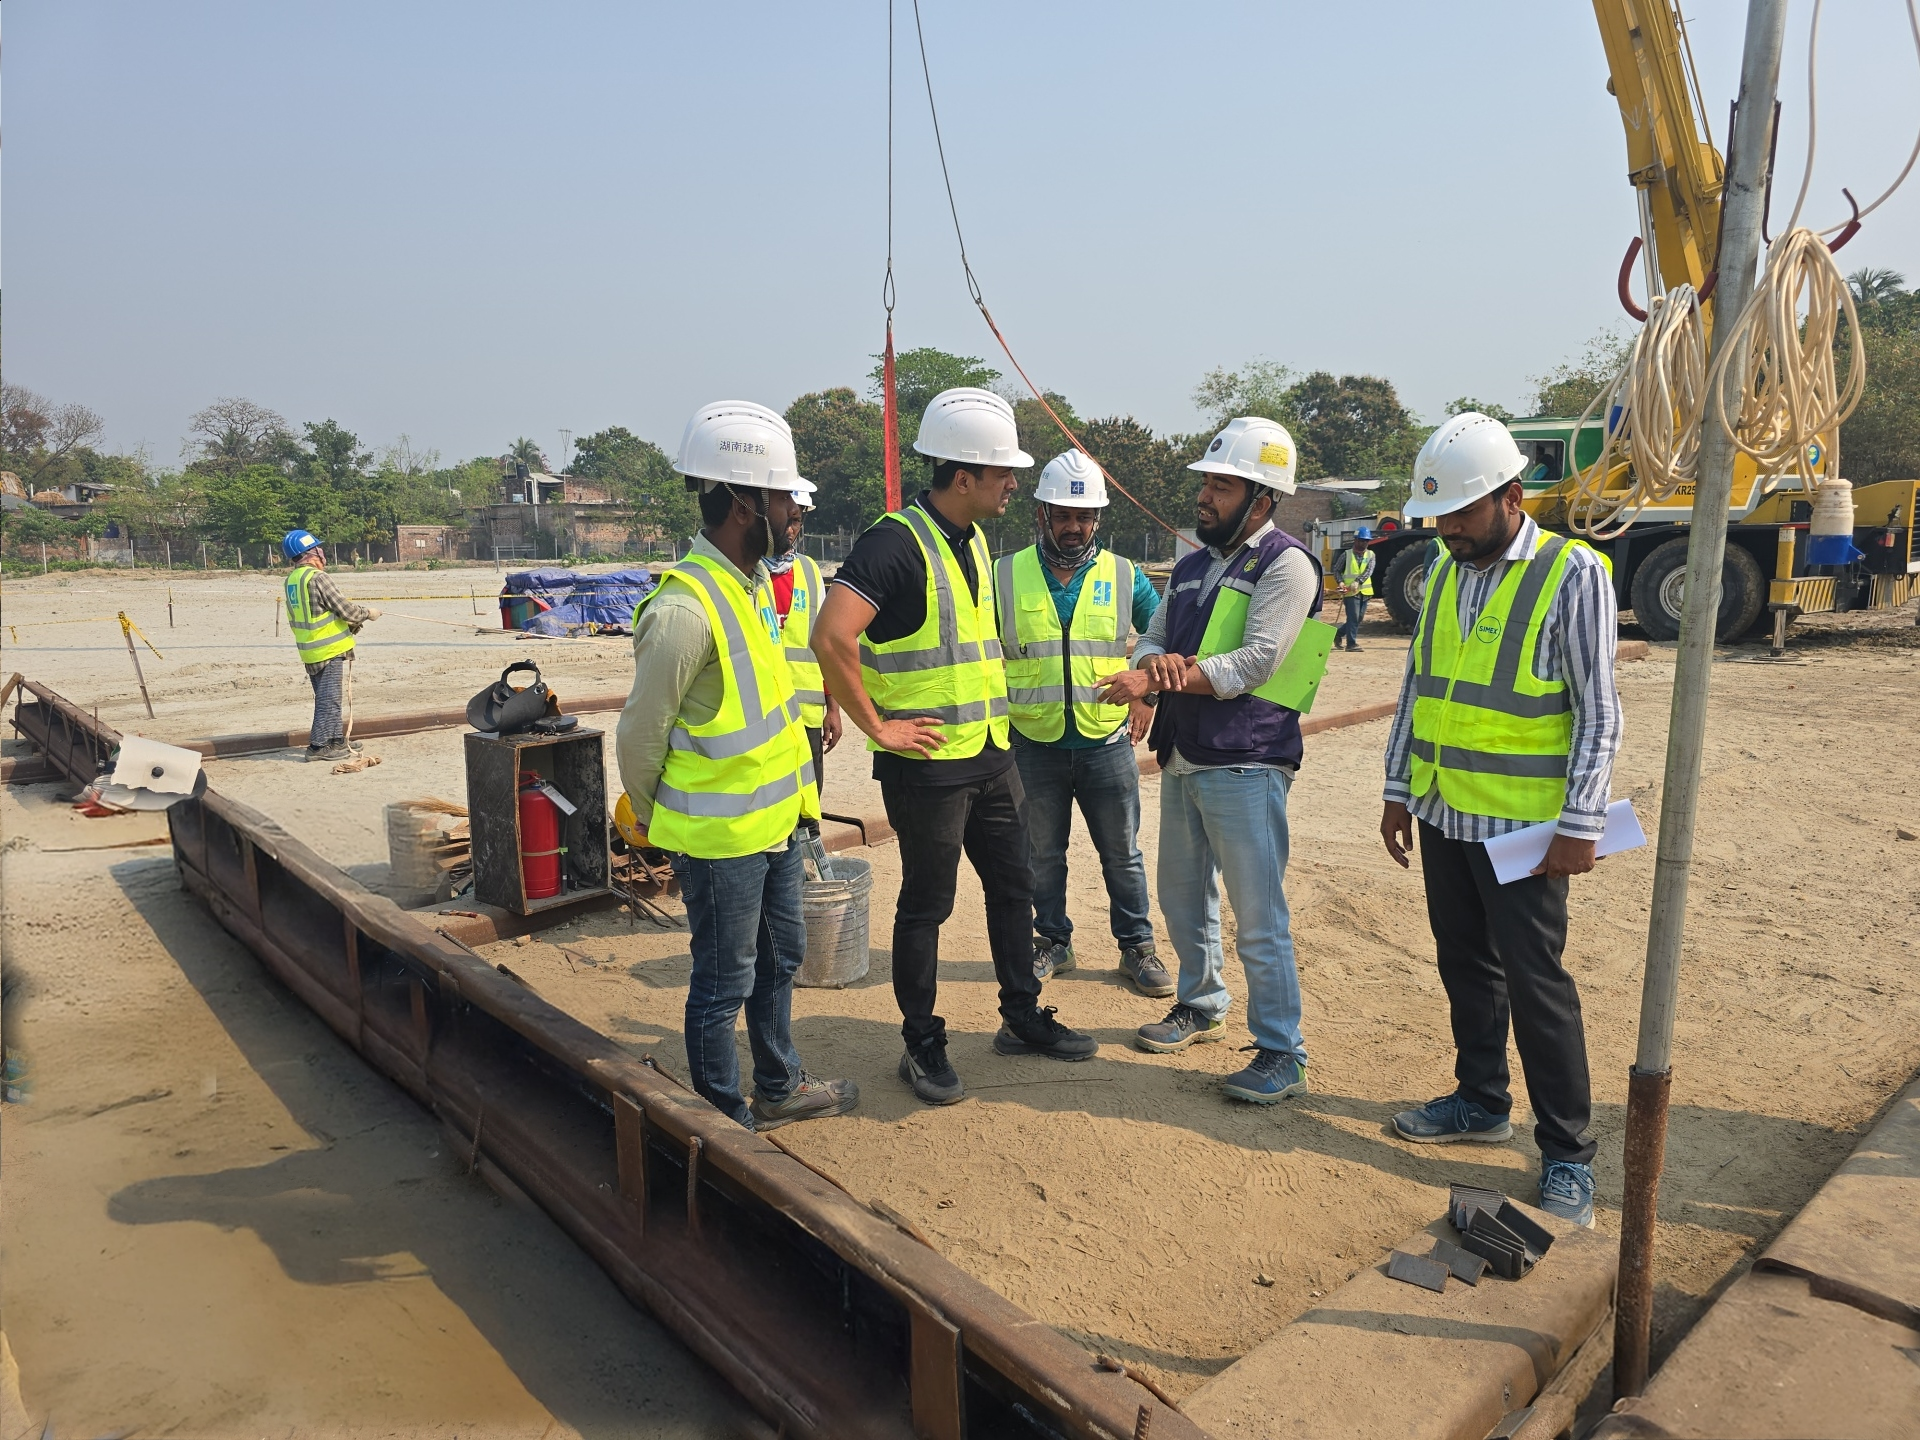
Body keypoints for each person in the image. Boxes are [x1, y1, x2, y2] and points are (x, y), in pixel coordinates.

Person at [812, 388, 1098, 1107]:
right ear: (963, 476)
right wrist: (878, 727)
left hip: (991, 754)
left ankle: (1021, 1014)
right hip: (928, 766)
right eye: (1003, 473)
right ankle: (921, 1041)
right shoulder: (894, 544)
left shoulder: (970, 540)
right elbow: (831, 635)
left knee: (1015, 888)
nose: (1013, 484)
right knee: (927, 905)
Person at [1378, 411, 1621, 1229]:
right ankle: (1481, 1100)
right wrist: (1398, 789)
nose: (1446, 529)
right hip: (1444, 809)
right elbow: (1419, 686)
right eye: (1438, 516)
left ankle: (1568, 1155)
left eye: (1461, 513)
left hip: (1524, 828)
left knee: (1535, 982)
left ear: (1511, 498)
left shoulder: (1570, 574)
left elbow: (1598, 711)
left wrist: (1582, 821)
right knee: (1465, 965)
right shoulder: (1445, 570)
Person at [615, 400, 858, 1133]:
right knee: (724, 982)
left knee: (780, 959)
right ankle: (722, 1123)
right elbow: (640, 738)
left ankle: (778, 1086)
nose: (795, 512)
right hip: (720, 842)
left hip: (775, 826)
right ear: (744, 503)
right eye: (784, 498)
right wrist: (663, 823)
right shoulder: (685, 608)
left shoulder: (750, 588)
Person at [1106, 417, 1326, 1105]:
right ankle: (1201, 1004)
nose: (1205, 496)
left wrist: (1162, 676)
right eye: (1206, 483)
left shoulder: (1286, 564)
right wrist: (1153, 666)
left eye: (1222, 487)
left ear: (1263, 499)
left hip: (1247, 760)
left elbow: (1258, 661)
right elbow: (1153, 636)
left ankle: (1282, 1050)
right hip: (1185, 755)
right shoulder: (1193, 565)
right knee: (1181, 896)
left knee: (1258, 913)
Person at [994, 448, 1170, 997]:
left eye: (1085, 517)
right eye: (1064, 516)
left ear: (1097, 519)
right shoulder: (1004, 575)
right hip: (1033, 741)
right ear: (1042, 514)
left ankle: (1137, 946)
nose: (1074, 527)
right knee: (1041, 855)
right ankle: (1052, 941)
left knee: (1122, 854)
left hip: (1105, 742)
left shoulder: (1124, 574)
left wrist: (1149, 693)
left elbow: (1164, 636)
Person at [767, 489, 843, 816]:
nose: (790, 529)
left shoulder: (810, 572)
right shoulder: (745, 573)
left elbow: (826, 646)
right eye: (785, 519)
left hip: (807, 716)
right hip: (762, 716)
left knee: (808, 806)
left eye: (796, 521)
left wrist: (833, 708)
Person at [280, 529, 381, 763]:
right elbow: (345, 609)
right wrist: (368, 613)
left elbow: (317, 611)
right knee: (329, 699)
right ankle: (318, 746)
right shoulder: (318, 578)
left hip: (310, 649)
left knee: (328, 696)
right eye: (319, 548)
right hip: (328, 648)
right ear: (311, 552)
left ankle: (335, 741)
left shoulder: (292, 580)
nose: (322, 553)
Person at [1335, 527, 1375, 652]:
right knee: (1353, 617)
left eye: (1366, 541)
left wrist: (1358, 581)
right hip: (1350, 593)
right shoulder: (1346, 555)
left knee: (1358, 618)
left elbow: (1369, 571)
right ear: (1355, 540)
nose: (1364, 543)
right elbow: (1337, 570)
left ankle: (1338, 633)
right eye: (1362, 540)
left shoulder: (1371, 555)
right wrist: (1340, 582)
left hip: (1365, 592)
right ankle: (1351, 644)